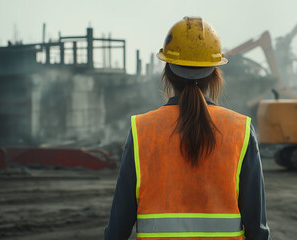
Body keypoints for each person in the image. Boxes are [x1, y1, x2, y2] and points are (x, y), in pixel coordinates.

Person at [104, 17, 271, 240]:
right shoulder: (240, 130)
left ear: (167, 73)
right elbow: (257, 228)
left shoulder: (142, 130)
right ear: (215, 74)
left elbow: (118, 227)